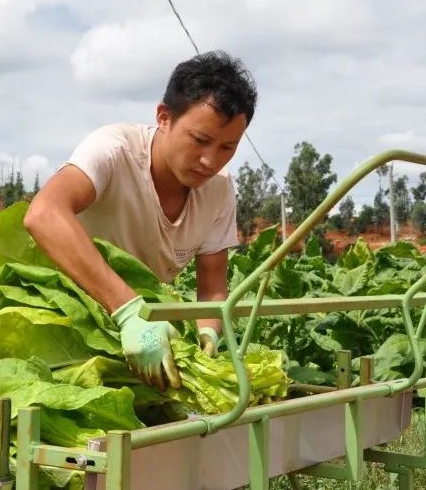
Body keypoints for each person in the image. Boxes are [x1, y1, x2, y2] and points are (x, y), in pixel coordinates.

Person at [24, 50, 257, 392]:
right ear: (164, 117)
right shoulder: (114, 150)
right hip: (62, 324)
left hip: (145, 337)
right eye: (200, 140)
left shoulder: (219, 189)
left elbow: (212, 286)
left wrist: (208, 332)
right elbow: (43, 214)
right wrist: (128, 311)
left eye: (228, 147)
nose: (210, 161)